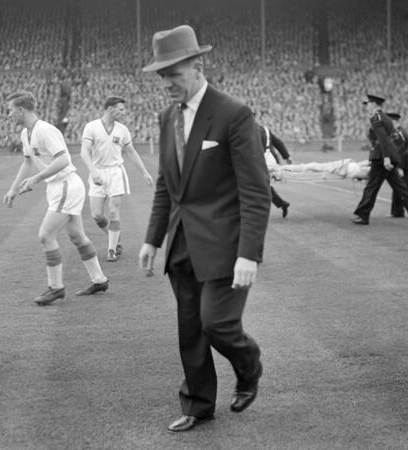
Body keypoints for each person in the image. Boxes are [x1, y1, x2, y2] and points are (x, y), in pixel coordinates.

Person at [137, 25, 270, 433]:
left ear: (197, 65)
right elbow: (167, 184)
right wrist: (151, 238)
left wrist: (249, 253)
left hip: (225, 246)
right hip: (181, 244)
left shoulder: (233, 113)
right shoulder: (166, 118)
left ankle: (249, 366)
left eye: (173, 73)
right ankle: (197, 404)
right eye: (162, 75)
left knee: (217, 324)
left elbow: (255, 191)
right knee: (190, 328)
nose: (167, 83)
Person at [2, 90, 109, 306]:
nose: (9, 114)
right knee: (77, 236)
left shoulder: (44, 130)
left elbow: (64, 159)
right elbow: (27, 162)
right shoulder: (26, 134)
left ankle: (56, 288)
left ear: (21, 110)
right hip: (59, 186)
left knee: (46, 234)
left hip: (66, 184)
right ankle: (100, 280)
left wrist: (36, 179)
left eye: (10, 110)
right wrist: (13, 189)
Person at [80, 96, 153, 262]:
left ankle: (112, 249)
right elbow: (84, 152)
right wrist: (93, 172)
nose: (123, 113)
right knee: (97, 215)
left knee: (113, 211)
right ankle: (115, 236)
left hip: (115, 173)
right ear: (110, 109)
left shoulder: (122, 130)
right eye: (120, 110)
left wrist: (144, 172)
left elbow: (131, 152)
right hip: (97, 172)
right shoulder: (91, 127)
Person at [351, 94, 408, 226]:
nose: (367, 106)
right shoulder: (385, 118)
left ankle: (363, 215)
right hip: (388, 156)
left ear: (374, 104)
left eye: (368, 103)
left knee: (372, 187)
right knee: (400, 187)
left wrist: (386, 158)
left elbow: (383, 138)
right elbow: (394, 139)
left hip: (382, 157)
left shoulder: (376, 117)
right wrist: (391, 156)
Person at [259, 123, 291, 218]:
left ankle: (280, 204)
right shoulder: (265, 129)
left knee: (261, 186)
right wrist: (286, 156)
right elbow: (278, 143)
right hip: (271, 160)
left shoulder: (250, 130)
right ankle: (282, 204)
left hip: (261, 161)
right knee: (264, 186)